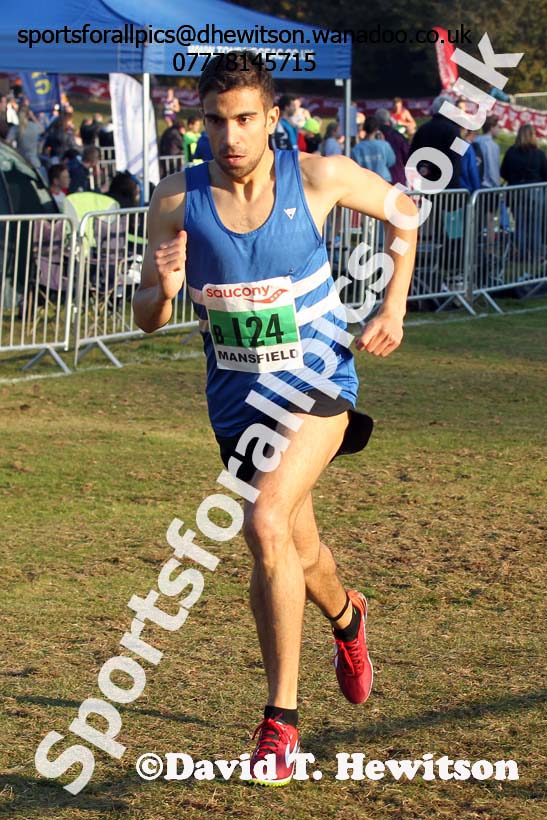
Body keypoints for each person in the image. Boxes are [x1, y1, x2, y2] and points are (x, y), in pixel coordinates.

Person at [132, 50, 417, 787]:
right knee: (297, 543)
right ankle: (348, 618)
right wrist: (163, 288)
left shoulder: (316, 176)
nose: (230, 136)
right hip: (237, 406)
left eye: (245, 120)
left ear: (271, 118)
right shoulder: (174, 198)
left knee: (262, 524)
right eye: (216, 120)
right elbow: (144, 318)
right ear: (201, 120)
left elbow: (404, 211)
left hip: (319, 383)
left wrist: (391, 305)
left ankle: (278, 724)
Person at [501, 124, 547, 260]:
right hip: (536, 192)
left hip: (516, 191)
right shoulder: (539, 154)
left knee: (520, 224)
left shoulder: (511, 151)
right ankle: (536, 255)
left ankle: (521, 254)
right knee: (536, 225)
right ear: (533, 135)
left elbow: (503, 172)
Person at [409, 95, 462, 189]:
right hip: (449, 187)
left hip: (425, 183)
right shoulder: (454, 130)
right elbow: (460, 155)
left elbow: (411, 156)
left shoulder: (422, 129)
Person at [351, 115, 396, 182]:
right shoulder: (384, 145)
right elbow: (391, 161)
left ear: (364, 128)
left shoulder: (357, 148)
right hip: (384, 181)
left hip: (366, 182)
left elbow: (355, 167)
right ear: (377, 129)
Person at [375, 108, 410, 187]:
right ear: (389, 120)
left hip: (377, 181)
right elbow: (408, 157)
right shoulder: (398, 136)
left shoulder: (372, 138)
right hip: (398, 179)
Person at [16, 105, 44, 174]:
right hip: (34, 162)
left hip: (20, 162)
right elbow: (42, 129)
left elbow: (8, 142)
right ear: (28, 115)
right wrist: (33, 117)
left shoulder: (16, 128)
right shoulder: (34, 127)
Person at [458, 129, 482, 193]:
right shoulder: (468, 147)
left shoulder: (457, 144)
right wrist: (477, 188)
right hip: (466, 188)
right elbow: (472, 169)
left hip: (456, 185)